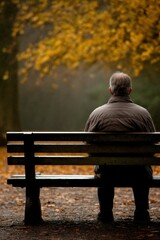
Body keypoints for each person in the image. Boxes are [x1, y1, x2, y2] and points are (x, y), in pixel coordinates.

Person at [84, 72, 156, 223]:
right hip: (137, 171)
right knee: (141, 168)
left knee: (105, 169)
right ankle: (142, 212)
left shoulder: (97, 114)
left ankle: (105, 213)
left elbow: (87, 144)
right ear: (130, 90)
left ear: (110, 90)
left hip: (108, 171)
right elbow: (152, 144)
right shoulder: (143, 114)